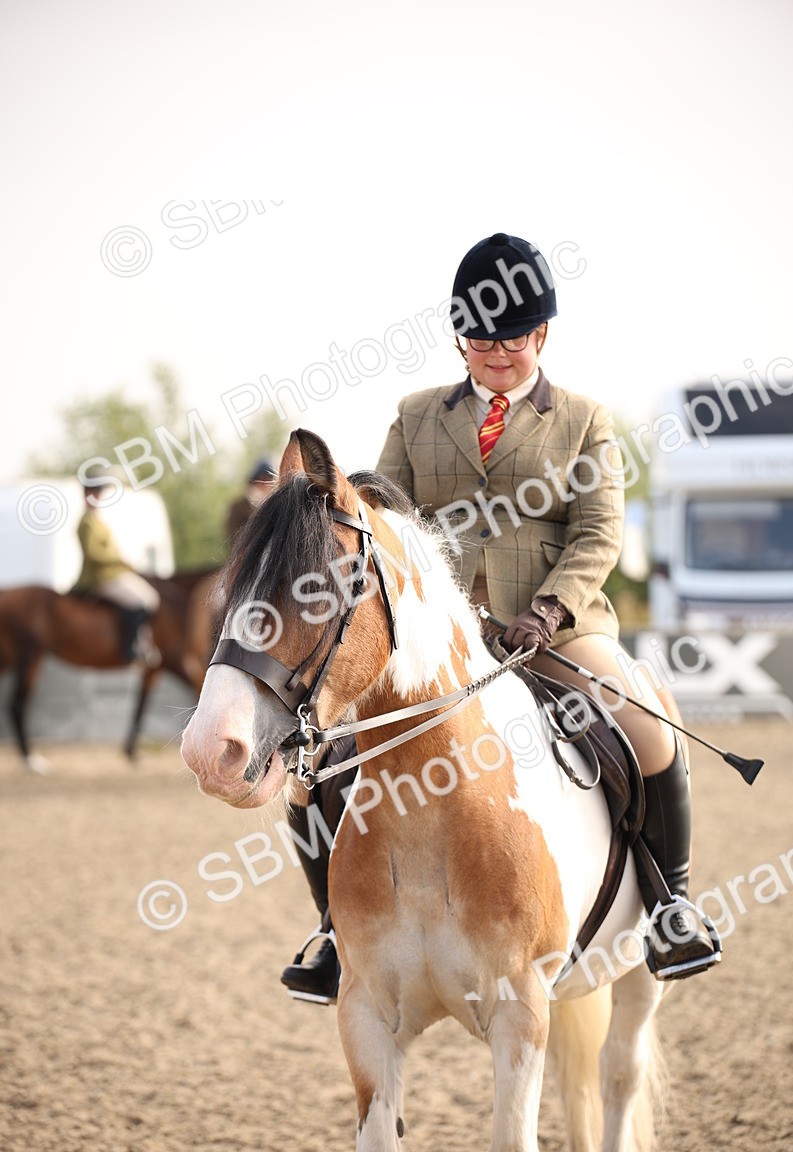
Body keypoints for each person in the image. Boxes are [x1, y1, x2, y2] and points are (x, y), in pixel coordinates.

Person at [280, 232, 720, 1001]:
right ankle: (329, 925)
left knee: (645, 719)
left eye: (510, 339)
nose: (494, 354)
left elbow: (599, 532)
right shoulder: (416, 416)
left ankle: (672, 902)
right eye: (479, 339)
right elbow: (386, 512)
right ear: (460, 338)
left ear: (540, 335)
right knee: (317, 766)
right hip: (439, 640)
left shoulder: (584, 420)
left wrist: (548, 610)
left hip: (559, 628)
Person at [181, 458, 276, 691]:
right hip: (243, 564)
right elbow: (236, 538)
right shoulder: (240, 505)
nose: (265, 484)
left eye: (269, 480)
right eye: (263, 480)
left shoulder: (275, 506)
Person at [73, 477, 160, 665]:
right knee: (142, 601)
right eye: (94, 492)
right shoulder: (86, 522)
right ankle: (130, 648)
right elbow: (94, 554)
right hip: (101, 576)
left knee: (151, 598)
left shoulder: (97, 520)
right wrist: (121, 561)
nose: (97, 496)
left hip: (114, 572)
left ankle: (143, 642)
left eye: (99, 493)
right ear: (87, 494)